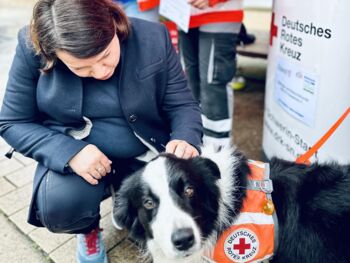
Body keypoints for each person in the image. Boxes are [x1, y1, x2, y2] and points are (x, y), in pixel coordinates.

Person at [0, 0, 202, 262]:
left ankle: (124, 191)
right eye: (81, 68)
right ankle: (88, 229)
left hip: (146, 151)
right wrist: (69, 153)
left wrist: (185, 138)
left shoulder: (153, 37)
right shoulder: (31, 48)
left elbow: (182, 103)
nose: (101, 72)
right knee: (61, 207)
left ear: (114, 26)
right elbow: (12, 121)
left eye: (106, 56)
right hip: (81, 158)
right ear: (53, 54)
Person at [179, 0, 243, 149]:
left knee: (213, 86)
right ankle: (195, 144)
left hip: (220, 13)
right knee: (189, 84)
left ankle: (218, 152)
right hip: (184, 16)